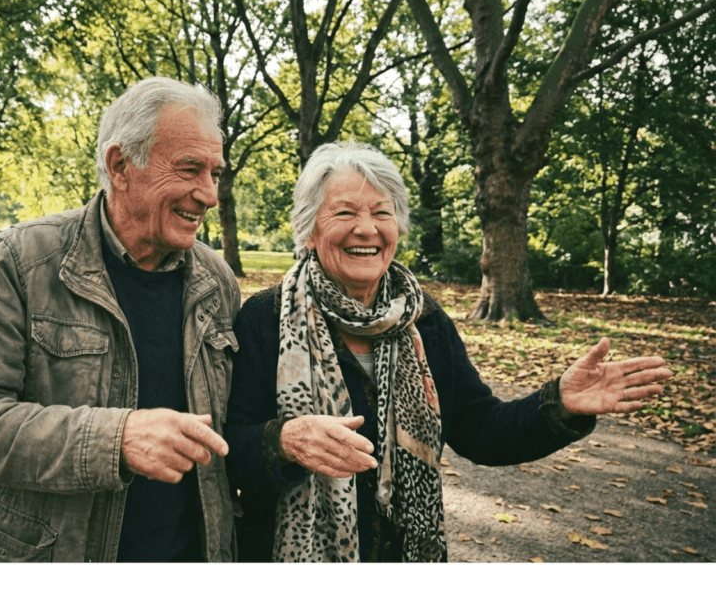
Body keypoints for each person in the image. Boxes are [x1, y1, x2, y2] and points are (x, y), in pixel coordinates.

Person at [224, 141, 672, 562]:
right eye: (344, 212)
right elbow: (229, 453)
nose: (367, 228)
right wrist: (282, 442)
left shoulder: (425, 321)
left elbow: (481, 429)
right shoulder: (265, 318)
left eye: (383, 212)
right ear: (308, 231)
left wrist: (559, 403)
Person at [0, 77, 241, 562]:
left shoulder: (217, 282)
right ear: (121, 166)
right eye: (189, 169)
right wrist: (116, 439)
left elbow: (233, 432)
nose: (208, 194)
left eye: (215, 173)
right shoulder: (20, 260)